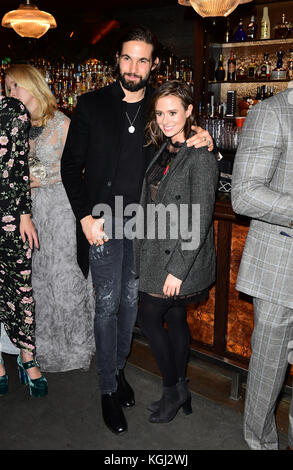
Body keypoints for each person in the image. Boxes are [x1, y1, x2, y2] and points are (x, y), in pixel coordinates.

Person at [61, 25, 214, 434]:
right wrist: (84, 219)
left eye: (143, 59)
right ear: (117, 59)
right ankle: (108, 388)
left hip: (144, 228)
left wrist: (205, 137)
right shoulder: (91, 104)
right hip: (102, 222)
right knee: (107, 306)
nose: (134, 66)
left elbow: (180, 133)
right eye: (127, 57)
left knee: (130, 307)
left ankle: (118, 368)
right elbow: (69, 167)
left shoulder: (157, 110)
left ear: (154, 64)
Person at [134, 80, 218, 423]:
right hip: (158, 251)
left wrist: (178, 270)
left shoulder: (200, 157)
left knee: (149, 316)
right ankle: (180, 388)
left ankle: (174, 390)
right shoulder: (164, 148)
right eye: (160, 113)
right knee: (174, 317)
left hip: (182, 258)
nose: (166, 119)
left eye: (173, 112)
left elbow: (199, 219)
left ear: (188, 113)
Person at [5, 64, 95, 373]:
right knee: (37, 280)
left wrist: (31, 175)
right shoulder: (12, 126)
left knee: (65, 276)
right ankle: (38, 348)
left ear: (34, 86)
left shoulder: (63, 123)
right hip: (26, 213)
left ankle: (74, 347)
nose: (11, 93)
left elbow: (79, 169)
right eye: (7, 88)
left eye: (16, 86)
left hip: (61, 208)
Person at [231, 86, 293, 450]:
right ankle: (261, 444)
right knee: (268, 374)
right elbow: (245, 194)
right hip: (279, 267)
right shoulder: (272, 113)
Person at [0, 95, 47, 397]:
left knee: (22, 287)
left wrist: (25, 215)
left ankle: (26, 355)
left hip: (11, 217)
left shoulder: (13, 110)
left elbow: (19, 168)